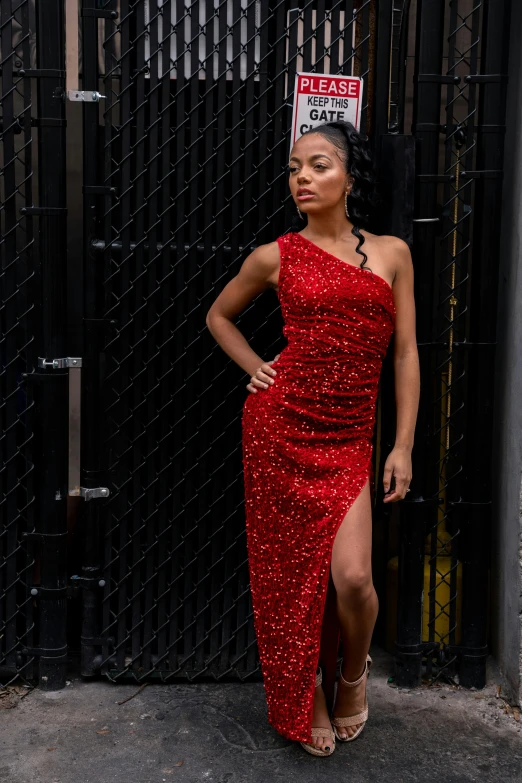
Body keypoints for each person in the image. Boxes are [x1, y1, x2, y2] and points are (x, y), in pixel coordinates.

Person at [206, 120, 420, 757]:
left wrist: (402, 443)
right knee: (289, 581)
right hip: (279, 429)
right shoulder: (275, 254)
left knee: (353, 579)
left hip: (351, 435)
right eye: (296, 167)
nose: (302, 177)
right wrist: (257, 370)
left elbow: (406, 352)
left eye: (319, 165)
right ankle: (311, 697)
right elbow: (218, 315)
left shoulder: (391, 253)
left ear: (351, 176)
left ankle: (352, 675)